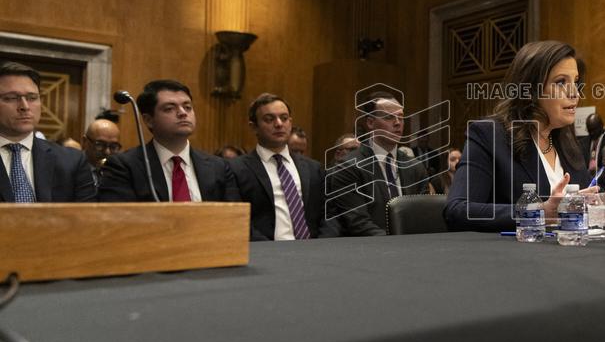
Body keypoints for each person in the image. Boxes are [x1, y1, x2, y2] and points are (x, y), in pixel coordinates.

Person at [445, 40, 605, 232]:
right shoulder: (489, 135)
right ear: (530, 90)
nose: (574, 93)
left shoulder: (569, 145)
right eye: (561, 82)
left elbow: (572, 210)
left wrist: (597, 210)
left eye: (575, 82)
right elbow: (458, 210)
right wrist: (538, 213)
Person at [99, 79, 239, 202]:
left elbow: (235, 217)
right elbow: (119, 219)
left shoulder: (219, 167)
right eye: (169, 108)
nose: (183, 113)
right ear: (148, 120)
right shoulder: (124, 167)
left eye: (187, 107)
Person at [229, 93, 339, 240]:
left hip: (314, 249)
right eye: (269, 119)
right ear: (254, 127)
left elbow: (330, 214)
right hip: (265, 249)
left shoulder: (313, 168)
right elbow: (237, 220)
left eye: (284, 118)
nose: (279, 124)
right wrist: (270, 250)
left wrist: (321, 245)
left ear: (290, 122)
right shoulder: (236, 169)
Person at [328, 93, 430, 235]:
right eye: (389, 117)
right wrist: (397, 244)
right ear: (370, 123)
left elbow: (423, 217)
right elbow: (358, 224)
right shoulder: (348, 168)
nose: (397, 123)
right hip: (369, 246)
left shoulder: (416, 168)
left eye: (401, 117)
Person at [0, 61, 96, 202]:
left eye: (32, 98)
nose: (25, 106)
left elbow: (87, 214)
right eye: (11, 98)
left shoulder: (72, 161)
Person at [82, 116, 122, 189]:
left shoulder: (118, 171)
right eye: (100, 144)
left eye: (113, 146)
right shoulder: (71, 170)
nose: (107, 152)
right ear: (85, 142)